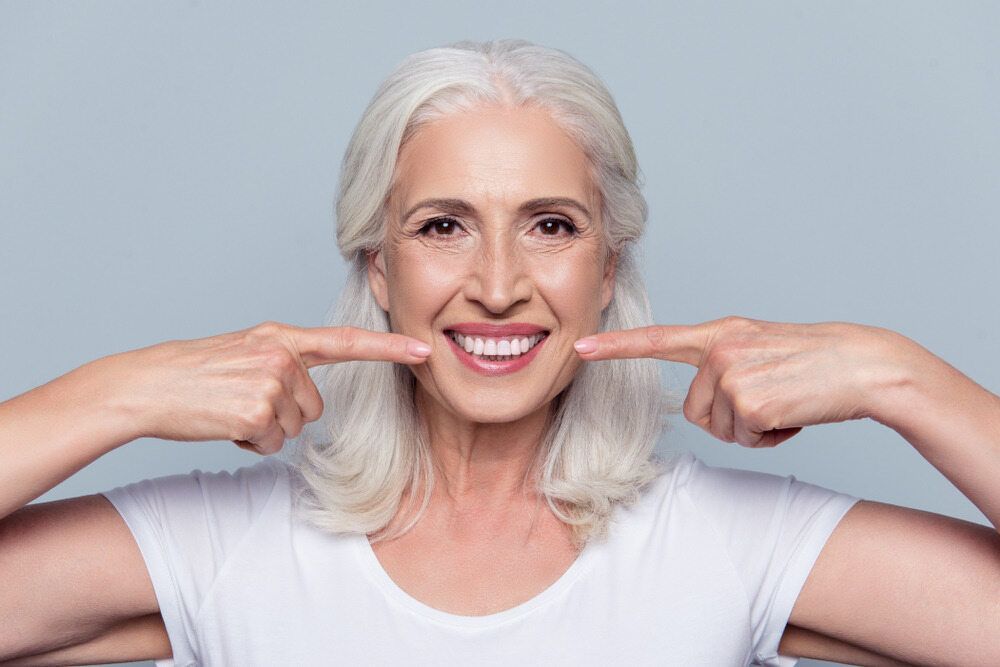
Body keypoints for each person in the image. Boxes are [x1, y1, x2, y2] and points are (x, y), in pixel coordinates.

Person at [0, 38, 997, 667]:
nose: (497, 282)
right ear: (376, 264)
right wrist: (119, 393)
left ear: (606, 267)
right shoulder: (224, 549)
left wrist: (892, 375)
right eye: (442, 226)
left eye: (551, 225)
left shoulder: (725, 545)